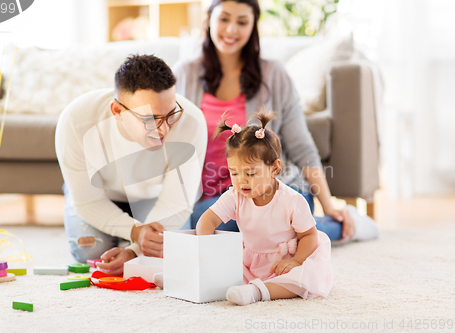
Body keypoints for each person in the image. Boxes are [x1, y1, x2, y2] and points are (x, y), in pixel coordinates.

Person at [173, 0, 379, 242]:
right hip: (217, 197)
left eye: (242, 22)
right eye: (224, 19)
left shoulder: (273, 74)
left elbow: (302, 147)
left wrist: (328, 203)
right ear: (209, 20)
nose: (231, 30)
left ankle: (342, 224)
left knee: (254, 226)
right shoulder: (184, 74)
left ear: (253, 27)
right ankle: (313, 230)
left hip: (275, 192)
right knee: (203, 223)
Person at [56, 55, 207, 275]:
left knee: (166, 250)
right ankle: (113, 228)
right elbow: (88, 201)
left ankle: (123, 233)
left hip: (154, 197)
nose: (164, 130)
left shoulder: (191, 122)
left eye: (170, 114)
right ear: (117, 111)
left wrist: (136, 250)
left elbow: (176, 203)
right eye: (151, 119)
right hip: (100, 195)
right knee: (91, 252)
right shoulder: (76, 121)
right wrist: (135, 231)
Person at [196, 112, 332, 305]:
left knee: (302, 281)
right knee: (225, 271)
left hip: (285, 262)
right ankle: (182, 277)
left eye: (250, 173)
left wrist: (296, 261)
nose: (241, 180)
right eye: (234, 172)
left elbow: (309, 236)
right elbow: (207, 220)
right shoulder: (235, 196)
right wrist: (206, 249)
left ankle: (257, 293)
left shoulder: (292, 200)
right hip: (250, 261)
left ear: (274, 169)